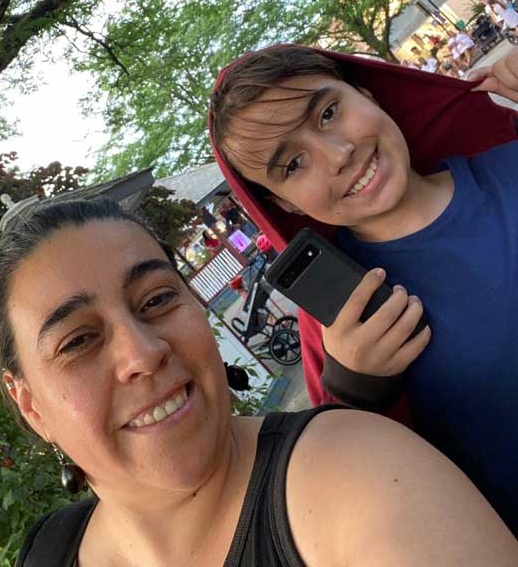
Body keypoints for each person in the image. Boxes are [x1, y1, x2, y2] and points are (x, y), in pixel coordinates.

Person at [0, 198, 518, 564]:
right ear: (32, 408)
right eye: (77, 341)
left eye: (158, 300)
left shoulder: (356, 475)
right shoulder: (48, 551)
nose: (143, 353)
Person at [208, 44, 518, 533]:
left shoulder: (510, 157)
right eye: (292, 165)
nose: (339, 155)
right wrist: (358, 390)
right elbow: (359, 485)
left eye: (329, 113)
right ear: (281, 204)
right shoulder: (343, 322)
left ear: (367, 93)